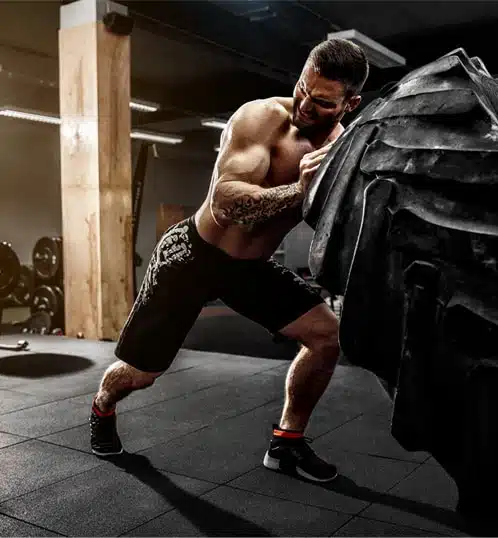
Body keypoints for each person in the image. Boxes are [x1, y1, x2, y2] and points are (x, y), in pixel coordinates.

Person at [89, 38, 369, 483]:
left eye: (321, 102)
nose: (305, 105)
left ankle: (287, 444)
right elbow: (226, 204)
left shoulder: (341, 150)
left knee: (326, 336)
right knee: (142, 373)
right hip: (192, 254)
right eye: (302, 88)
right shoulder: (260, 118)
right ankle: (102, 405)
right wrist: (301, 190)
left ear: (350, 103)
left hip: (248, 269)